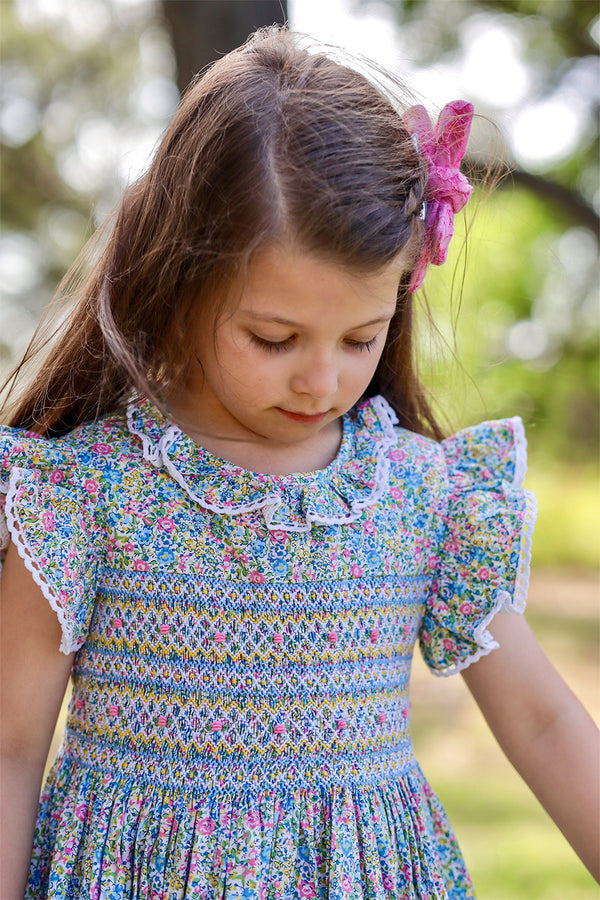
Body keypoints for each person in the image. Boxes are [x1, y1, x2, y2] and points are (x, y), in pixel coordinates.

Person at [0, 25, 597, 900]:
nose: (324, 379)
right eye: (274, 338)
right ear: (177, 281)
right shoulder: (83, 496)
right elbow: (11, 748)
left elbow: (544, 720)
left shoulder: (426, 496)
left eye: (362, 336)